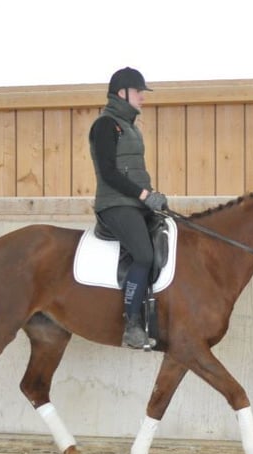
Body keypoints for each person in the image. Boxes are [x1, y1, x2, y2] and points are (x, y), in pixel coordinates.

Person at [89, 67, 168, 349]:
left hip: (134, 202)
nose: (142, 98)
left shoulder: (130, 127)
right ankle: (132, 325)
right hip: (114, 205)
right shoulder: (105, 125)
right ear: (122, 93)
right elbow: (109, 173)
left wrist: (152, 197)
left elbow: (132, 170)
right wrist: (144, 194)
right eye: (138, 92)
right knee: (144, 255)